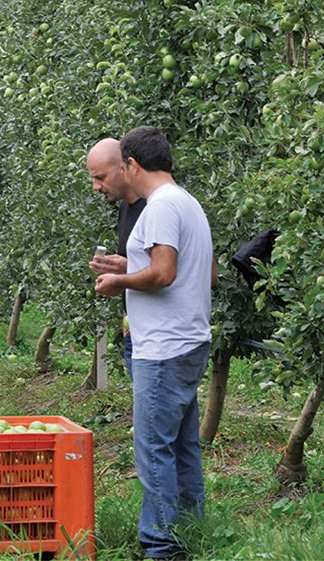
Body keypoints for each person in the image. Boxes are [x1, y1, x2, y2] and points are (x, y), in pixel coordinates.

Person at [93, 126, 214, 561]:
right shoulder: (188, 203)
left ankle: (162, 545)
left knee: (153, 448)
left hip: (162, 347)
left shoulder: (160, 207)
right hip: (189, 338)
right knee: (181, 444)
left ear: (132, 165)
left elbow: (163, 273)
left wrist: (119, 281)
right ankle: (192, 527)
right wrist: (133, 263)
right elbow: (203, 272)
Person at [86, 137, 146, 381]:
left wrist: (126, 269)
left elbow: (169, 271)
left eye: (100, 177)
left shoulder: (156, 208)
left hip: (159, 340)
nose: (95, 187)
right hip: (135, 331)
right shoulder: (125, 208)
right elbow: (136, 269)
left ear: (123, 167)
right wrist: (117, 275)